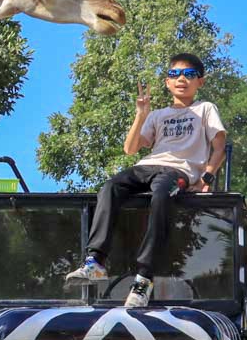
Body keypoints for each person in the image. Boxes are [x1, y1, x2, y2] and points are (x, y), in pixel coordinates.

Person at [64, 52, 228, 307]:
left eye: (189, 74)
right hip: (146, 166)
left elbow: (219, 147)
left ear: (200, 82)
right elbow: (130, 149)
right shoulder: (158, 114)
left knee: (161, 197)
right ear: (167, 82)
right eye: (175, 74)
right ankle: (95, 262)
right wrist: (141, 114)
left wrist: (206, 176)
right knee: (109, 187)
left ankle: (143, 278)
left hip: (178, 172)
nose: (181, 79)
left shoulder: (205, 109)